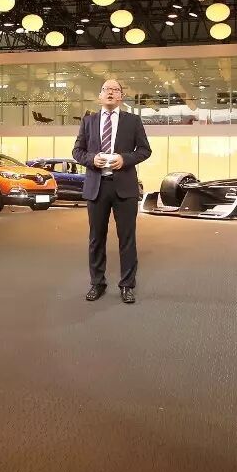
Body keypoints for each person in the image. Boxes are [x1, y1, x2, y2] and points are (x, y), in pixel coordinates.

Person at [72, 79, 152, 304]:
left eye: (115, 90)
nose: (110, 93)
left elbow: (145, 150)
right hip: (97, 187)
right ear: (100, 96)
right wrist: (91, 159)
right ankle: (97, 283)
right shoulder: (88, 121)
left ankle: (127, 285)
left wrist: (124, 159)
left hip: (124, 187)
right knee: (96, 239)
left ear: (121, 96)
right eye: (106, 89)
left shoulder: (133, 121)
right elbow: (77, 151)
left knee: (127, 239)